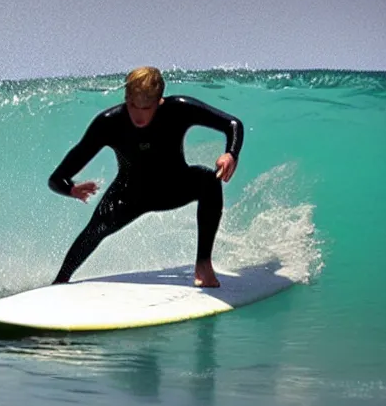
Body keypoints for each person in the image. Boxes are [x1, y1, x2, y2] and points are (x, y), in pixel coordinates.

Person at [48, 66, 244, 287]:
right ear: (126, 98)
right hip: (128, 195)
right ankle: (60, 281)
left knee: (209, 180)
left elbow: (233, 125)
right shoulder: (109, 123)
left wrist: (230, 154)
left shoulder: (178, 110)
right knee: (95, 231)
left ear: (159, 101)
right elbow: (56, 179)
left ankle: (203, 265)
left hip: (173, 188)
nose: (139, 116)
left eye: (146, 107)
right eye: (133, 105)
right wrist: (71, 189)